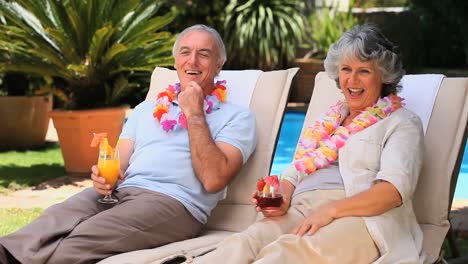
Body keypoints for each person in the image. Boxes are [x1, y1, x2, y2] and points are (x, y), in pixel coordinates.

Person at [0, 24, 257, 264]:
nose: (192, 60)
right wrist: (104, 177)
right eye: (185, 52)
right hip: (121, 192)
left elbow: (214, 179)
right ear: (176, 60)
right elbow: (119, 160)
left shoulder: (238, 117)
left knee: (79, 241)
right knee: (50, 223)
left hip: (174, 204)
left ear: (219, 64)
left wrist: (194, 114)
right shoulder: (147, 109)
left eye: (204, 54)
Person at [194, 24, 425, 264]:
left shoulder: (401, 122)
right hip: (301, 208)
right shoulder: (329, 120)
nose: (352, 80)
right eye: (346, 69)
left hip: (360, 216)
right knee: (243, 243)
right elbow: (296, 171)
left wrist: (331, 210)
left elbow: (392, 192)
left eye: (364, 71)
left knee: (285, 254)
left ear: (383, 75)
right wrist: (280, 197)